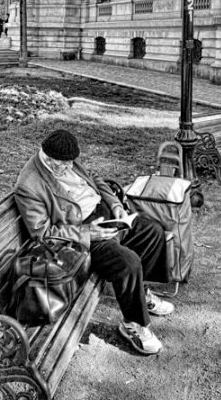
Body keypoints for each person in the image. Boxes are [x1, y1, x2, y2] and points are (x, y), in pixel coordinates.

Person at [14, 129, 174, 355]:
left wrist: (116, 205)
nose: (71, 167)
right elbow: (43, 232)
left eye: (72, 162)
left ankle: (142, 292)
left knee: (153, 232)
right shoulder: (29, 184)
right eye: (66, 164)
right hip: (83, 234)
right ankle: (133, 324)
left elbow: (96, 180)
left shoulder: (66, 158)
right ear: (49, 159)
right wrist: (89, 233)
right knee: (128, 262)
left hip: (106, 215)